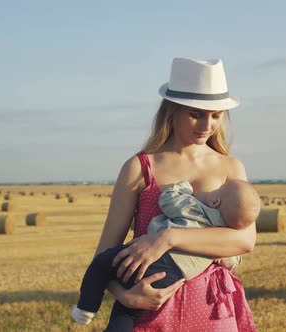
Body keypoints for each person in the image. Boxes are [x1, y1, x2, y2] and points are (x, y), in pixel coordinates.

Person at [89, 58, 258, 331]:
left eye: (216, 115)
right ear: (172, 110)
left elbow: (245, 240)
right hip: (150, 314)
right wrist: (127, 296)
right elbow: (104, 254)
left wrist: (168, 238)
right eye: (196, 113)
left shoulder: (231, 167)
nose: (207, 125)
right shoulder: (140, 167)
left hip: (214, 311)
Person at [72, 178, 261, 330]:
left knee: (101, 266)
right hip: (174, 279)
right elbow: (232, 256)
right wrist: (124, 296)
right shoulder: (222, 231)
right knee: (128, 311)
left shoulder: (196, 207)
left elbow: (169, 200)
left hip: (154, 266)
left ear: (215, 201)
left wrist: (183, 188)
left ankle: (86, 308)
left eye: (218, 188)